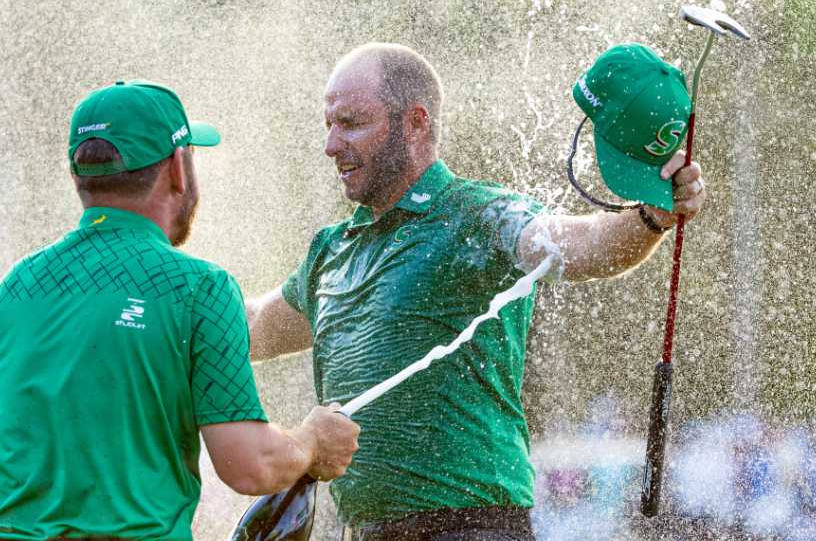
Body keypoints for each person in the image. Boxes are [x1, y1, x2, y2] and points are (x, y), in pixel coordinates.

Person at [246, 43, 707, 540]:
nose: (332, 145)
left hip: (471, 527)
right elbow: (250, 329)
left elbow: (583, 245)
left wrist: (653, 217)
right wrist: (161, 305)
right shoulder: (332, 249)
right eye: (329, 125)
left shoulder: (476, 215)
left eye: (352, 123)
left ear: (415, 122)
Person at [0, 80, 360, 541]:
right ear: (178, 167)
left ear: (79, 176)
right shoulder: (197, 287)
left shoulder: (10, 291)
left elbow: (20, 441)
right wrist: (311, 442)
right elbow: (249, 466)